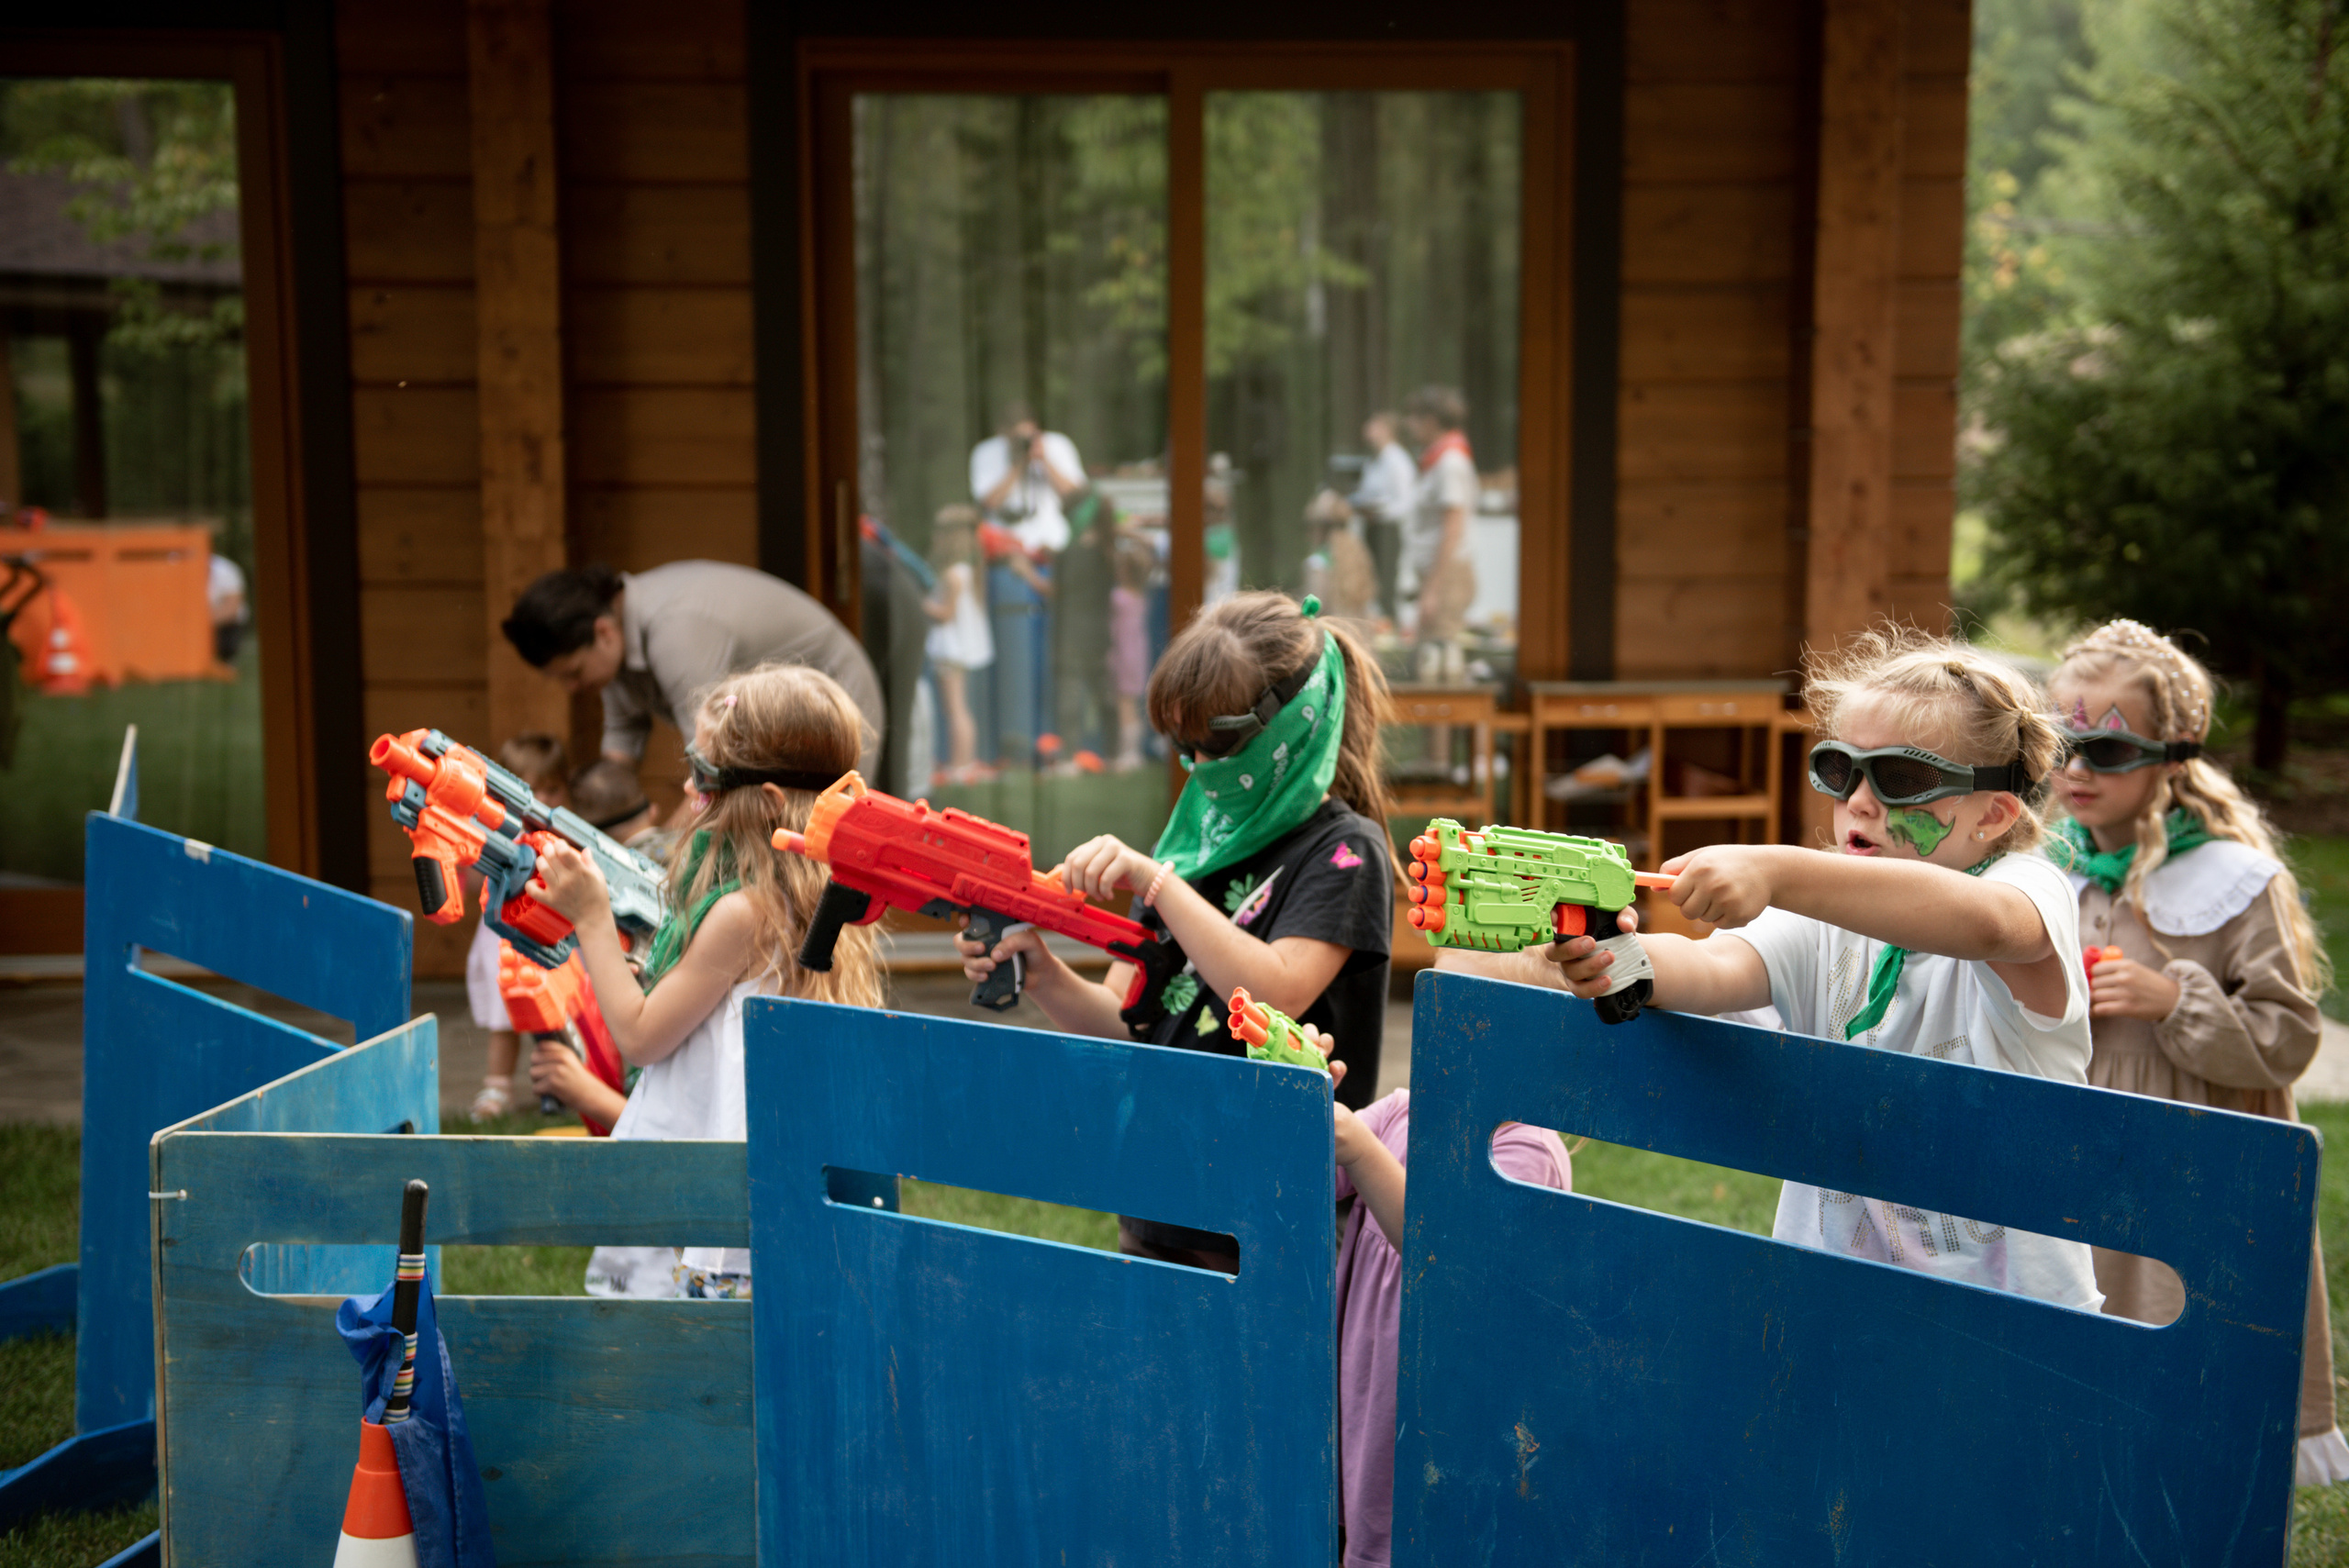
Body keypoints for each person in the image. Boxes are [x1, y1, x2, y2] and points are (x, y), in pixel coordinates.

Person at [1453, 626, 2099, 1309]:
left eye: (1902, 777)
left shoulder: (2031, 889)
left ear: (1994, 816)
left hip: (2016, 1328)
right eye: (1841, 769)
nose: (1860, 800)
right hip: (1837, 1310)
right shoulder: (1822, 916)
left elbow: (1988, 924)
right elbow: (1713, 966)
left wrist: (1777, 866)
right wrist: (1622, 955)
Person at [958, 590, 1400, 1273]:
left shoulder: (1345, 852)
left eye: (1216, 742)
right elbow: (1125, 1022)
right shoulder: (1193, 842)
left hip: (1269, 1222)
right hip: (1158, 1204)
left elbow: (1275, 989)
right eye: (1182, 744)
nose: (1198, 765)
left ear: (1293, 722)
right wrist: (1042, 972)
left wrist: (1158, 883)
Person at [2045, 619, 2345, 1483]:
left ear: (2171, 757)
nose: (2075, 770)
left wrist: (2177, 998)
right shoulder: (2045, 869)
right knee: (2078, 1327)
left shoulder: (2232, 878)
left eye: (2107, 750)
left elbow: (2287, 1039)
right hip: (2083, 1139)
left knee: (2183, 1332)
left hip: (2192, 1143)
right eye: (2065, 745)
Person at [532, 662, 884, 1299]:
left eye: (707, 774)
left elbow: (640, 1037)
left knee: (696, 1362)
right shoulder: (817, 900)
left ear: (769, 799)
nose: (690, 786)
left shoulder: (745, 911)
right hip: (780, 1179)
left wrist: (588, 914)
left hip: (721, 1196)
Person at [1313, 1035, 1570, 1568]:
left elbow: (1455, 1259)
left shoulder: (1529, 1152)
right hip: (1369, 1388)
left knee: (1417, 1532)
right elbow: (1306, 1171)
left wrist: (1361, 1150)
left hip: (1442, 1409)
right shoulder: (1403, 1112)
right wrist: (1302, 1096)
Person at [499, 562, 885, 784]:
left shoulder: (676, 632)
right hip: (772, 725)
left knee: (814, 849)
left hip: (833, 702)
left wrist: (657, 851)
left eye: (574, 673)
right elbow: (620, 750)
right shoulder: (615, 644)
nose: (573, 688)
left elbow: (711, 768)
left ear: (603, 631)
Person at [970, 405, 1084, 766]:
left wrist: (1042, 460)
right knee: (1016, 658)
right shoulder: (988, 453)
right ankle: (1016, 744)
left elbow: (1076, 498)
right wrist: (1018, 463)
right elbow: (989, 501)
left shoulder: (1057, 446)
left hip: (1055, 560)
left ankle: (1055, 742)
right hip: (1010, 565)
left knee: (1059, 658)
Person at [463, 733, 569, 1119]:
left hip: (551, 934)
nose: (541, 799)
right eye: (529, 790)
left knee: (554, 1014)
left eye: (552, 788)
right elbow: (473, 882)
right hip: (504, 938)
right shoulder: (495, 830)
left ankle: (557, 1087)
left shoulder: (565, 831)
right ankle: (497, 1088)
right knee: (504, 1016)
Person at [1402, 386, 1478, 683]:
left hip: (1446, 577)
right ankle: (1435, 731)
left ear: (1433, 420)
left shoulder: (1450, 463)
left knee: (1440, 671)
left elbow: (1453, 527)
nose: (1410, 425)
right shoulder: (1437, 460)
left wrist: (1432, 590)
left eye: (1415, 417)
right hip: (1437, 575)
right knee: (1429, 663)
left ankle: (1442, 730)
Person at [924, 505, 995, 783]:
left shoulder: (953, 573)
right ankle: (962, 763)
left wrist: (921, 604)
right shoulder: (970, 570)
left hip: (950, 649)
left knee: (955, 709)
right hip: (959, 650)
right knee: (959, 707)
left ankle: (959, 764)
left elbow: (945, 614)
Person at [1349, 411, 1418, 628]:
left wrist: (1379, 511)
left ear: (1387, 430)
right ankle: (1379, 624)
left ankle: (1392, 625)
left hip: (1389, 528)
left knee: (1387, 581)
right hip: (1372, 526)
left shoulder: (1397, 461)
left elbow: (1406, 501)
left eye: (1374, 428)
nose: (1368, 433)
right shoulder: (1373, 461)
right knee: (1373, 579)